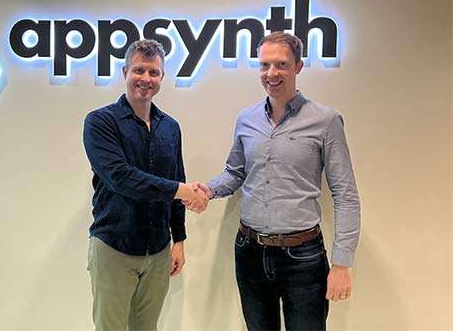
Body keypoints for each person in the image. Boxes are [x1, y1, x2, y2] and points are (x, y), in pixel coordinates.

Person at [206, 32, 361, 330]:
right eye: (264, 65)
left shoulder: (326, 121)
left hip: (302, 257)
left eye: (281, 64)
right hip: (250, 251)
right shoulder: (246, 119)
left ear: (298, 67)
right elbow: (235, 173)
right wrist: (206, 190)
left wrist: (342, 263)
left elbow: (345, 194)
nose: (271, 73)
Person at [82, 39, 208, 331]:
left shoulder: (170, 127)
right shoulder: (100, 122)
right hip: (114, 248)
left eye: (154, 72)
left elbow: (177, 177)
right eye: (139, 70)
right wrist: (182, 190)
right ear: (125, 72)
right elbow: (121, 178)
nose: (146, 78)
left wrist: (179, 240)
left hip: (158, 251)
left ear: (162, 77)